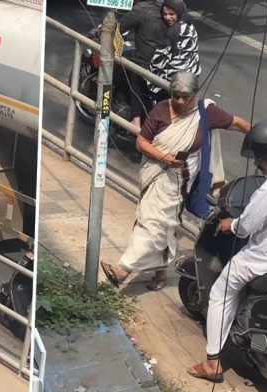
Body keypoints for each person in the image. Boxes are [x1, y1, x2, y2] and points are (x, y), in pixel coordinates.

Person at [186, 119, 267, 382]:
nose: (257, 163)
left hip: (264, 261)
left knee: (220, 293)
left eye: (259, 158)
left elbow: (245, 227)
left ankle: (212, 362)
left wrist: (229, 223)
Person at [100, 72, 250, 291]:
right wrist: (163, 157)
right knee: (154, 222)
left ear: (195, 95)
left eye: (184, 97)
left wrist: (260, 142)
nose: (179, 101)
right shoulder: (161, 109)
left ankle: (123, 269)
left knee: (159, 223)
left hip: (181, 180)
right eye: (176, 95)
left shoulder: (206, 112)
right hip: (156, 173)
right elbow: (142, 141)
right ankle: (159, 272)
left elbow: (237, 123)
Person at [117, 0, 200, 128]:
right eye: (166, 14)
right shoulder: (187, 21)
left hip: (166, 71)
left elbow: (120, 27)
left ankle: (136, 120)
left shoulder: (143, 10)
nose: (168, 17)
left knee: (135, 73)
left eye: (171, 14)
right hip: (186, 71)